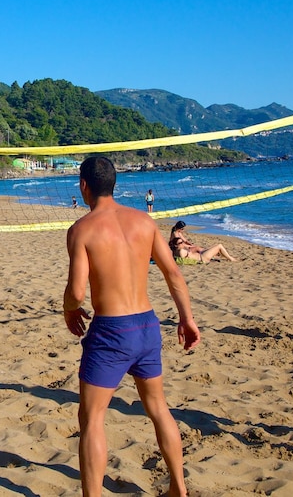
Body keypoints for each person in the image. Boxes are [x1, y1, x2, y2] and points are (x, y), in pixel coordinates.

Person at [63, 156, 200, 497]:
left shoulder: (82, 229)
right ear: (114, 184)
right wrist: (187, 318)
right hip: (147, 325)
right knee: (158, 408)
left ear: (83, 186)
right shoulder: (145, 221)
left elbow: (77, 292)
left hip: (111, 330)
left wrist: (69, 310)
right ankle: (178, 488)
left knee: (92, 420)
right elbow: (173, 274)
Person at [169, 221, 237, 263]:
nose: (183, 230)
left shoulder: (178, 246)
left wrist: (190, 244)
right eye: (182, 228)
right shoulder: (179, 246)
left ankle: (221, 255)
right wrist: (190, 246)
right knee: (219, 246)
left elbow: (184, 241)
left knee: (199, 248)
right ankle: (231, 258)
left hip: (201, 257)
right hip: (202, 258)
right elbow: (183, 246)